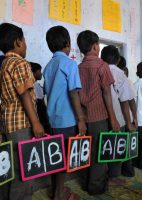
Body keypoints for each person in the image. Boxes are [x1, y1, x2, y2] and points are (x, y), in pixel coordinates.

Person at [0, 23, 44, 200]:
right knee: (24, 171)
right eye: (25, 41)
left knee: (9, 169)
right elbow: (24, 94)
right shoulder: (20, 62)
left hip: (6, 123)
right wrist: (36, 123)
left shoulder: (4, 65)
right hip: (20, 124)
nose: (26, 45)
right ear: (18, 42)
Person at [43, 26, 86, 200]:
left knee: (56, 158)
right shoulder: (69, 63)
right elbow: (73, 92)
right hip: (67, 121)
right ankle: (59, 194)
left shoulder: (48, 66)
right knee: (63, 160)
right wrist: (81, 119)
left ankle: (57, 191)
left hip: (51, 120)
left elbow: (47, 92)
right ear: (67, 44)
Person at [77, 30, 120, 195]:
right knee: (100, 154)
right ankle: (95, 187)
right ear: (96, 46)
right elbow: (107, 93)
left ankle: (87, 182)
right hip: (99, 118)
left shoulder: (79, 67)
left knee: (86, 152)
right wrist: (113, 118)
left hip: (82, 119)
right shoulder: (102, 66)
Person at [101, 45, 136, 181]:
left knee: (102, 147)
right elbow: (125, 100)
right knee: (116, 148)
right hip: (118, 118)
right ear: (118, 59)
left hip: (101, 117)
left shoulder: (100, 69)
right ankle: (114, 176)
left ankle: (103, 174)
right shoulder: (119, 73)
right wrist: (129, 122)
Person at [30, 62, 51, 133]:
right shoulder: (34, 85)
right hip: (40, 112)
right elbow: (40, 101)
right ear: (33, 72)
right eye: (39, 71)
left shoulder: (36, 85)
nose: (41, 73)